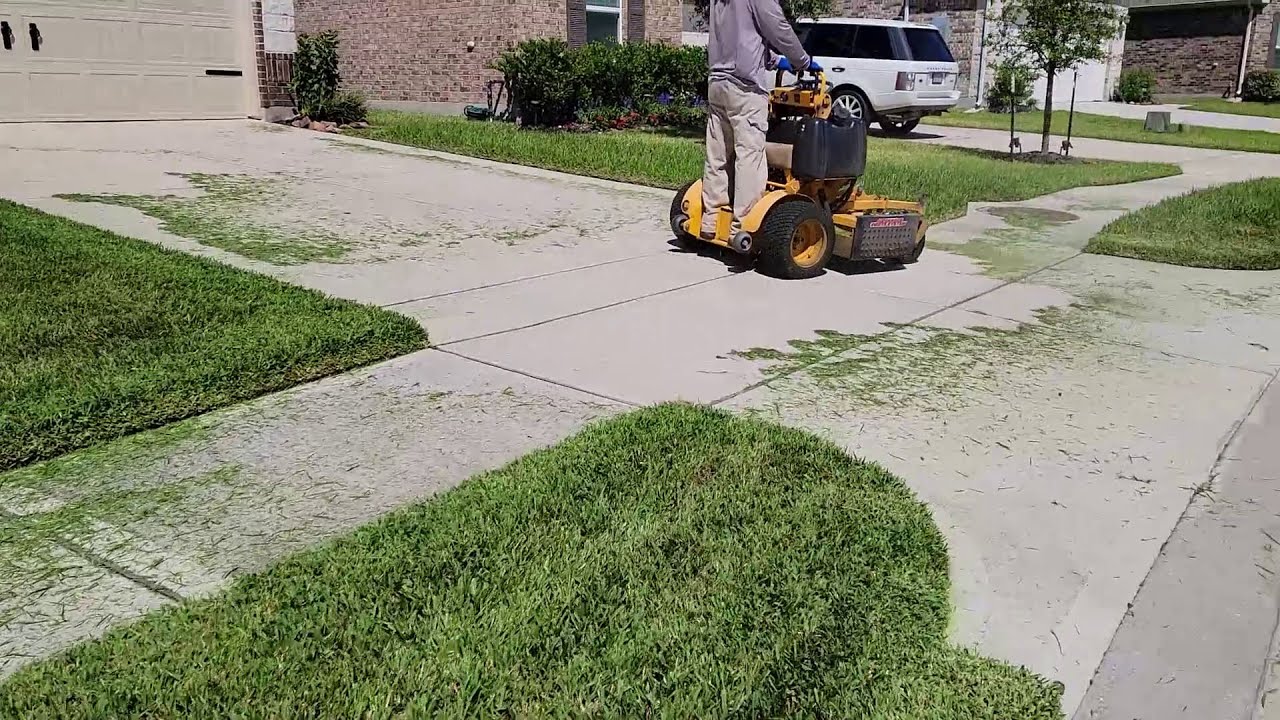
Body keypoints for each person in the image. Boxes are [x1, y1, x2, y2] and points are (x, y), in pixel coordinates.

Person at [700, 0, 820, 239]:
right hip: (745, 89)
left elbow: (743, 38)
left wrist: (776, 61)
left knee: (718, 155)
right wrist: (802, 61)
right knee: (750, 157)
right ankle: (743, 228)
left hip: (718, 82)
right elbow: (778, 28)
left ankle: (710, 220)